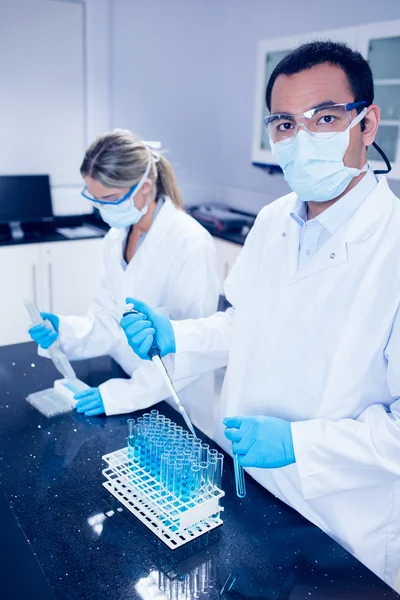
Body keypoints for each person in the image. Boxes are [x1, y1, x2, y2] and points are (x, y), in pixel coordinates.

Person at [120, 42, 400, 592]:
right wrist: (175, 333)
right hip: (251, 489)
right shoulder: (273, 220)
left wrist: (301, 445)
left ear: (367, 124)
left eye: (324, 118)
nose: (300, 140)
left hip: (341, 530)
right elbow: (242, 324)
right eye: (285, 124)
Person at [29, 130, 220, 434]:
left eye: (110, 199)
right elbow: (109, 317)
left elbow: (191, 351)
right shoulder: (117, 236)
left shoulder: (191, 243)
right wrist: (65, 332)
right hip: (127, 384)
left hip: (174, 401)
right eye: (95, 198)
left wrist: (121, 395)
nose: (102, 208)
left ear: (144, 188)